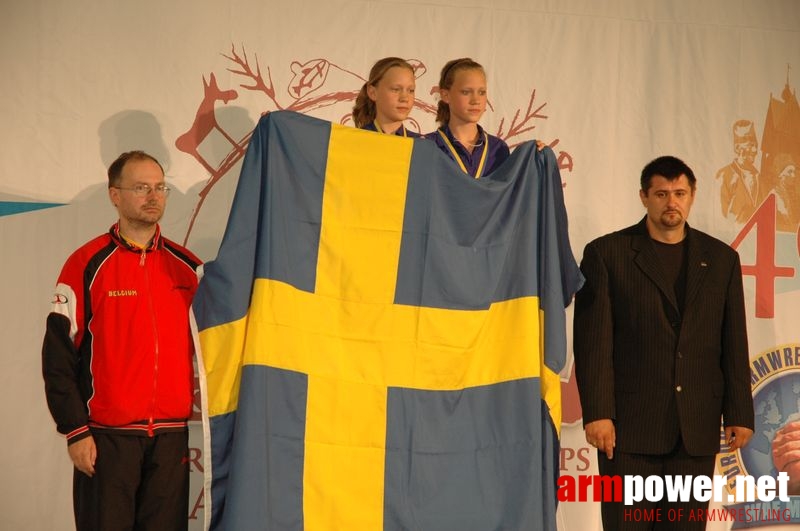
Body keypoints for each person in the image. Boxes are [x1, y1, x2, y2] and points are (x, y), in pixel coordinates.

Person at [573, 155, 754, 530]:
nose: (671, 202)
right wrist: (598, 413)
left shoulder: (721, 259)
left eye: (679, 193)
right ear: (644, 197)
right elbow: (593, 344)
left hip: (695, 431)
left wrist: (738, 412)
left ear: (692, 195)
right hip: (627, 432)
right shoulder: (607, 254)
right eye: (661, 194)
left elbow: (733, 341)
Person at [42, 150, 201, 531]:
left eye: (160, 187)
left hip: (170, 440)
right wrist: (75, 430)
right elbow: (58, 357)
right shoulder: (86, 263)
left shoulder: (188, 268)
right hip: (106, 440)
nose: (154, 196)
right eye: (141, 187)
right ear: (115, 195)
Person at [425, 57, 510, 177]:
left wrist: (538, 155)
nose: (476, 101)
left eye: (481, 92)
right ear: (445, 95)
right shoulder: (427, 146)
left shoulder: (498, 149)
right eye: (466, 92)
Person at [352, 57, 420, 137]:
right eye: (396, 89)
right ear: (372, 92)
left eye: (411, 90)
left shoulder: (422, 145)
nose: (405, 98)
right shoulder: (354, 140)